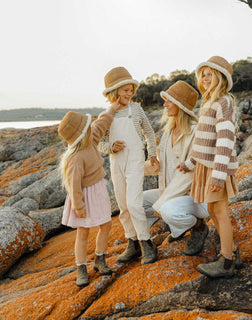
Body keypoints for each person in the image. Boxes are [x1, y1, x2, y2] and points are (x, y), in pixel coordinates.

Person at [178, 56, 240, 278]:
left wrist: (218, 175)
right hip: (207, 165)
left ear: (221, 78)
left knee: (220, 212)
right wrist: (190, 163)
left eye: (210, 74)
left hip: (218, 167)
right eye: (202, 74)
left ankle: (226, 262)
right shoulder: (208, 102)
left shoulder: (224, 103)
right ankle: (232, 251)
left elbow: (225, 141)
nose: (205, 78)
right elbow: (204, 141)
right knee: (213, 210)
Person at [99, 66, 159, 265]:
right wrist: (110, 146)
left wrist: (152, 154)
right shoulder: (106, 115)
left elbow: (149, 133)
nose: (129, 93)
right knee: (124, 206)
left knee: (134, 203)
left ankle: (146, 242)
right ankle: (132, 243)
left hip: (135, 160)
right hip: (117, 163)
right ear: (113, 92)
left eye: (131, 89)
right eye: (125, 90)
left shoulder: (136, 109)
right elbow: (97, 142)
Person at [143, 80, 209, 256]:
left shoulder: (196, 132)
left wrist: (162, 202)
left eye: (168, 100)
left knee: (167, 209)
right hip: (170, 192)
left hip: (194, 196)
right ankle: (149, 241)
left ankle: (198, 227)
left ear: (180, 105)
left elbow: (188, 176)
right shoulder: (168, 132)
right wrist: (132, 171)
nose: (164, 104)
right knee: (135, 202)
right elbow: (159, 165)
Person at [58, 105, 120, 287]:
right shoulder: (76, 157)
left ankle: (100, 259)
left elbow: (101, 124)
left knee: (106, 224)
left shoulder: (91, 140)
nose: (91, 128)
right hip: (83, 196)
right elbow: (73, 185)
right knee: (83, 232)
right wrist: (78, 206)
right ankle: (81, 268)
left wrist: (111, 110)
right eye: (88, 127)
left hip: (98, 190)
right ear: (81, 134)